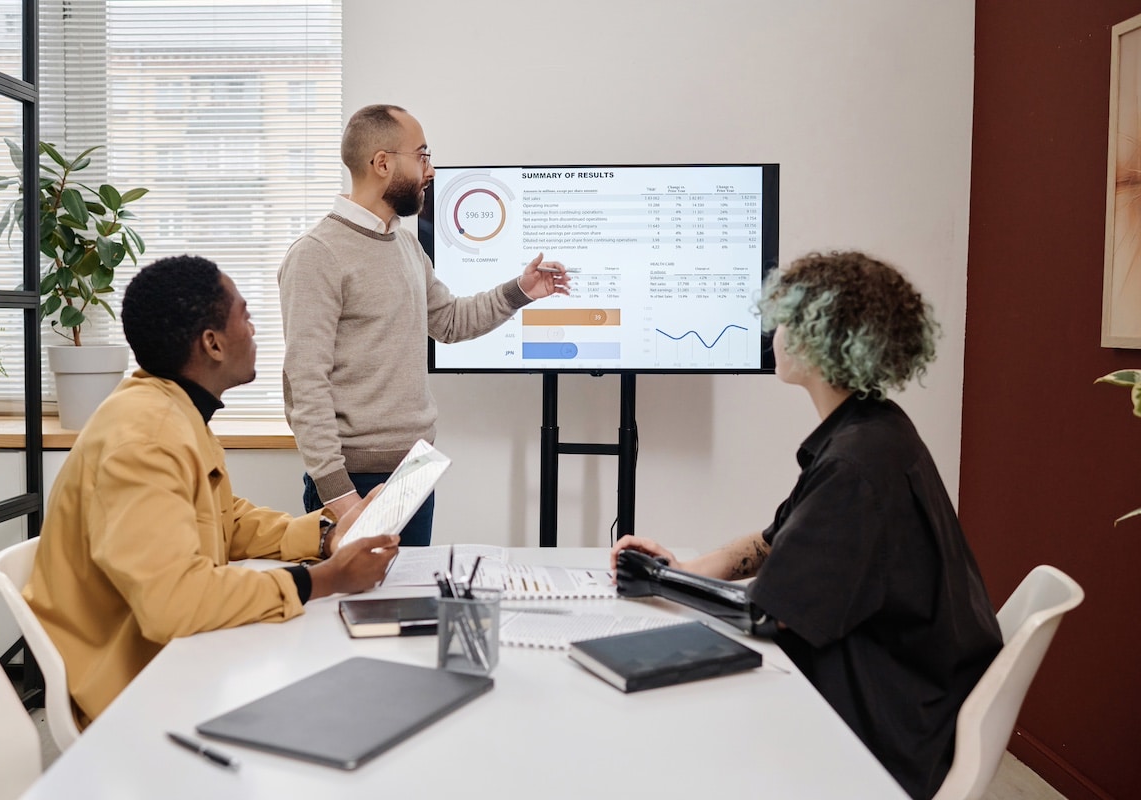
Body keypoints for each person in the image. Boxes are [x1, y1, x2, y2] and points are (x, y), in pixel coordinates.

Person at [611, 251, 1003, 800]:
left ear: (818, 340)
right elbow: (776, 543)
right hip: (915, 692)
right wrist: (685, 568)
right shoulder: (872, 429)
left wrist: (657, 582)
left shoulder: (856, 465)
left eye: (785, 320)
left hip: (885, 724)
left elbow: (765, 614)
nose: (774, 332)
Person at [24, 255, 399, 729]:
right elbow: (174, 603)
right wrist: (327, 579)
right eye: (245, 315)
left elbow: (226, 520)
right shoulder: (146, 436)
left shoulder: (171, 410)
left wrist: (327, 535)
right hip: (133, 696)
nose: (254, 329)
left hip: (175, 661)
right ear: (212, 344)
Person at [278, 103, 571, 546]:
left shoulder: (403, 245)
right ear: (382, 163)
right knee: (359, 612)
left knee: (407, 609)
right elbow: (305, 384)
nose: (430, 170)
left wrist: (522, 290)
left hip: (413, 470)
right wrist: (342, 500)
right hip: (354, 481)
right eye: (423, 155)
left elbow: (450, 321)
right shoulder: (317, 253)